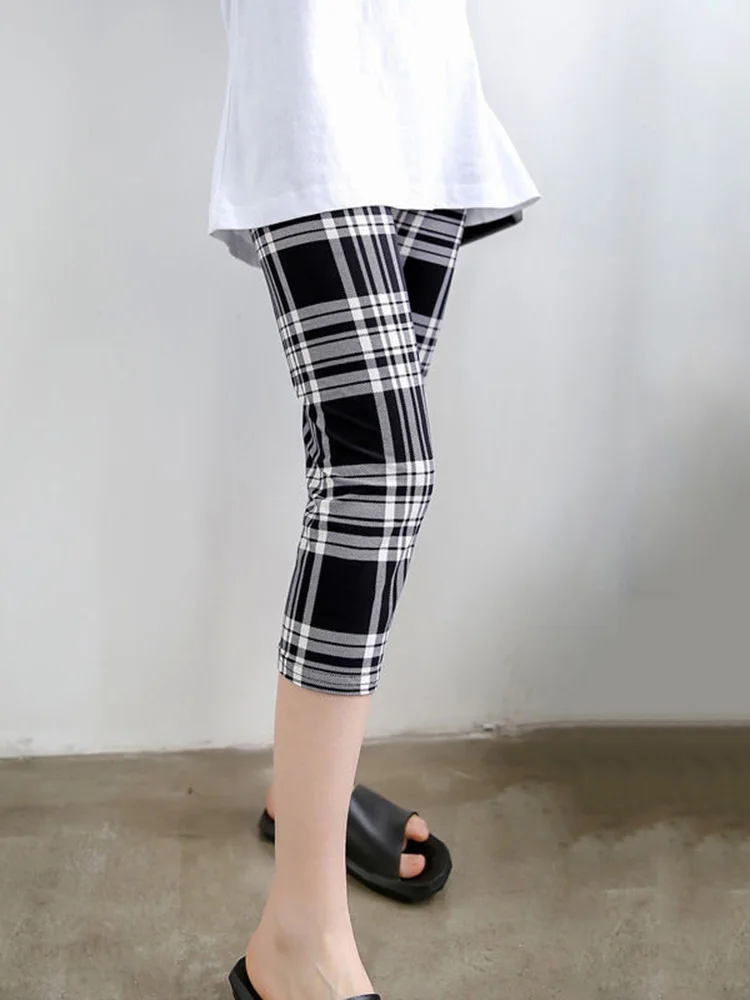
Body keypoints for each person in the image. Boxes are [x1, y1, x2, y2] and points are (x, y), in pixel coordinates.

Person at [208, 4, 540, 999]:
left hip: (423, 83)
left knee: (372, 492)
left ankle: (306, 792)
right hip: (309, 84)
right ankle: (297, 931)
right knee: (379, 478)